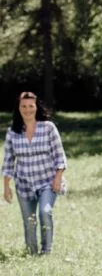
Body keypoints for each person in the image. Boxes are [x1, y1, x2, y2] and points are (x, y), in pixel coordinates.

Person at [2, 91, 67, 255]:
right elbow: (8, 161)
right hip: (24, 184)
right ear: (19, 108)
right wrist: (6, 186)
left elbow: (60, 156)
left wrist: (58, 178)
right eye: (23, 106)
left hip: (47, 182)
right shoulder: (12, 133)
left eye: (31, 106)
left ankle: (46, 251)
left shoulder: (48, 128)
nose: (27, 109)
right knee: (29, 221)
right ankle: (32, 253)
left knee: (45, 212)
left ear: (36, 107)